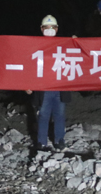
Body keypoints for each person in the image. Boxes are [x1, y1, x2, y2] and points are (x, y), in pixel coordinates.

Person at [27, 15, 72, 150]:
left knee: (60, 115)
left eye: (52, 27)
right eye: (46, 28)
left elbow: (77, 57)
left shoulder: (65, 44)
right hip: (44, 88)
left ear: (57, 29)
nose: (49, 30)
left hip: (60, 87)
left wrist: (77, 42)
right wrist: (27, 83)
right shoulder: (35, 45)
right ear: (41, 29)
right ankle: (42, 142)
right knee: (43, 115)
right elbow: (30, 65)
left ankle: (59, 140)